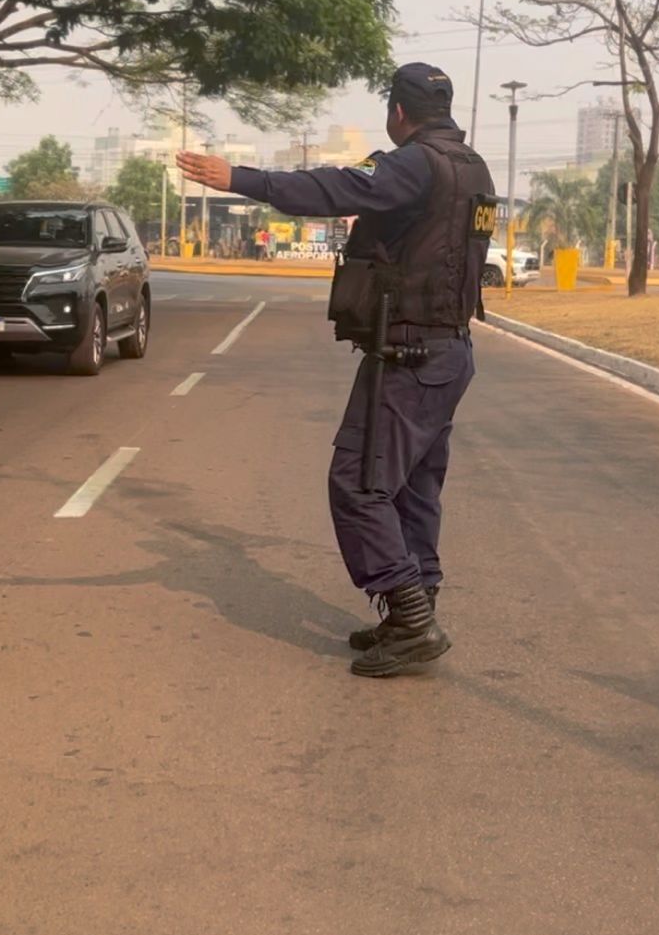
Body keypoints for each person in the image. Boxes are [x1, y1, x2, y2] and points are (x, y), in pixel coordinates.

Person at [176, 62, 495, 679]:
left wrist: (239, 177)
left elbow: (337, 189)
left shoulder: (412, 162)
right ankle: (414, 606)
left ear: (398, 112)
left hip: (409, 353)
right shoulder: (473, 166)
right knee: (414, 487)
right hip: (450, 351)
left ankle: (410, 618)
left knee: (357, 483)